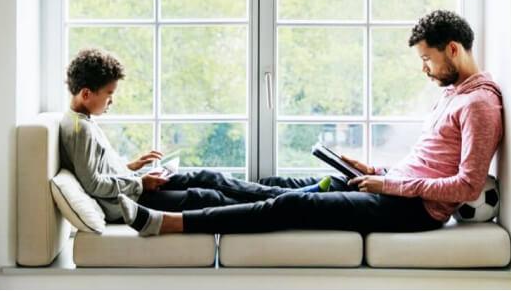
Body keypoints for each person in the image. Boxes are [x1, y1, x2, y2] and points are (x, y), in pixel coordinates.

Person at [117, 9, 504, 237]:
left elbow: (467, 186)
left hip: (412, 210)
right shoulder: (453, 94)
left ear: (452, 49)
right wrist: (377, 170)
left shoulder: (480, 105)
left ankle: (170, 223)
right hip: (392, 188)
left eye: (427, 59)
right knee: (274, 185)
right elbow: (431, 162)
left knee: (290, 204)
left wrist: (388, 183)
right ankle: (162, 182)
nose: (425, 69)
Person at [59, 48, 331, 228]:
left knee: (207, 176)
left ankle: (289, 196)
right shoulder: (78, 129)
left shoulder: (83, 122)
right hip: (129, 202)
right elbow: (92, 183)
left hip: (134, 187)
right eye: (109, 94)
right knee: (206, 195)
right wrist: (140, 182)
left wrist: (133, 166)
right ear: (86, 93)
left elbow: (98, 170)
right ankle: (288, 203)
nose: (111, 101)